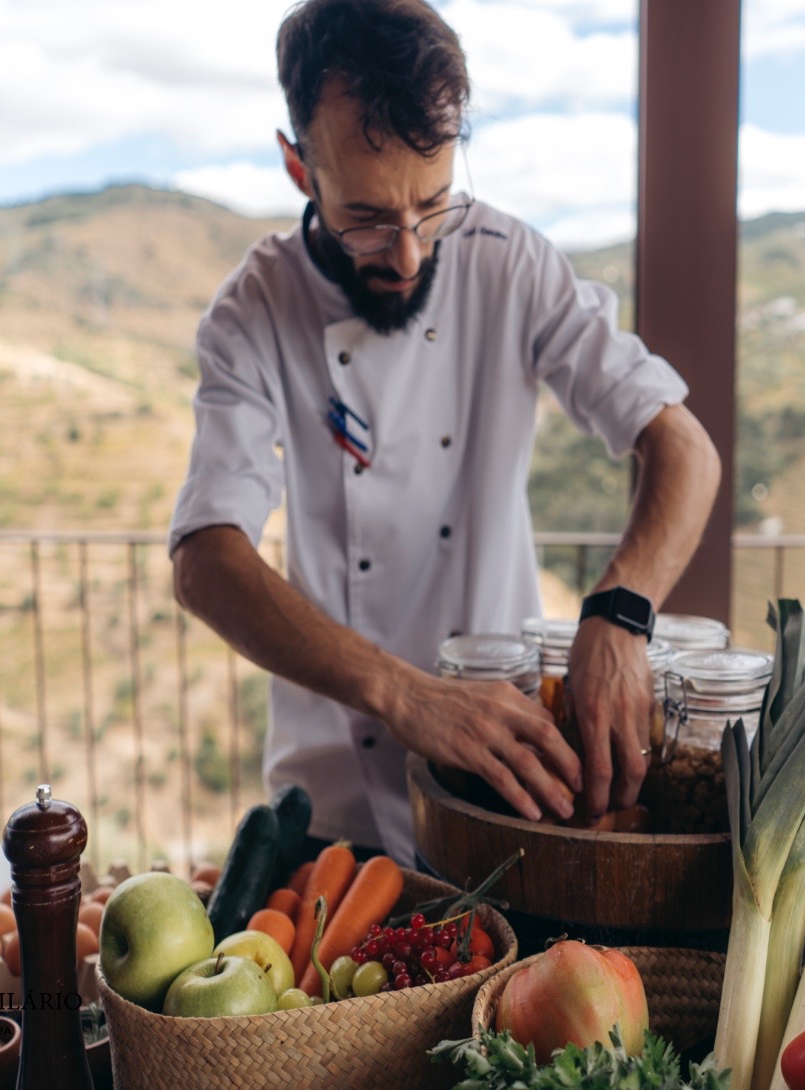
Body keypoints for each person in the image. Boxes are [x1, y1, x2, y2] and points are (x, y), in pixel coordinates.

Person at [170, 0, 719, 866]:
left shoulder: (511, 263)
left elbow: (683, 448)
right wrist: (402, 692)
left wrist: (619, 614)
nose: (410, 253)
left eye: (433, 205)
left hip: (503, 783)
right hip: (329, 811)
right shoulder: (254, 311)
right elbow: (205, 560)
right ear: (297, 166)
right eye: (368, 218)